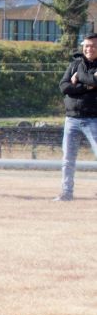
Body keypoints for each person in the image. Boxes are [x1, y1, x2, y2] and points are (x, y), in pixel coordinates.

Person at [56, 32, 97, 202]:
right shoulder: (74, 64)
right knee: (68, 159)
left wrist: (79, 79)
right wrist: (86, 87)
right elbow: (64, 87)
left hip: (93, 119)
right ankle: (66, 193)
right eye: (87, 46)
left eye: (93, 46)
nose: (89, 49)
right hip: (71, 119)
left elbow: (94, 81)